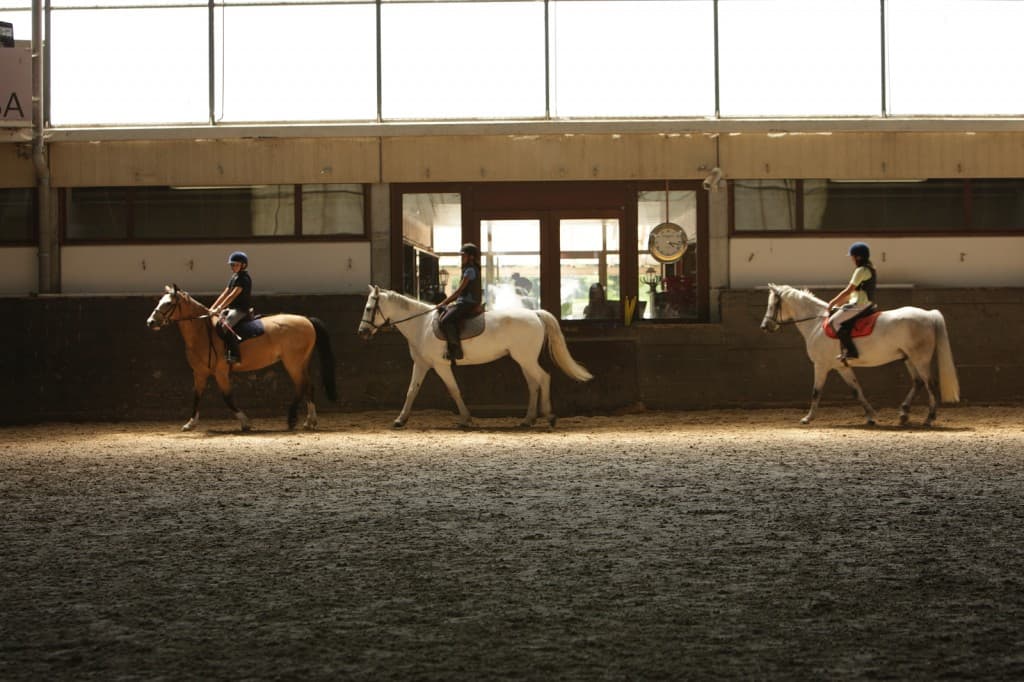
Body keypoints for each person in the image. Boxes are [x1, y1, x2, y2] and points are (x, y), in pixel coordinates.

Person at [827, 241, 877, 361]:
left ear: (858, 257)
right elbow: (857, 292)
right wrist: (841, 303)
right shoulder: (870, 269)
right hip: (865, 303)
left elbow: (848, 290)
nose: (852, 259)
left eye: (853, 257)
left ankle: (851, 351)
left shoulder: (860, 270)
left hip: (859, 305)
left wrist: (832, 302)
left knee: (833, 322)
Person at [436, 243, 482, 364]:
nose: (461, 258)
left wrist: (443, 303)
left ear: (471, 257)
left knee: (445, 321)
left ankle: (456, 350)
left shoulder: (470, 271)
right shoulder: (468, 269)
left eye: (463, 256)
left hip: (467, 303)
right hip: (463, 302)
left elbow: (458, 292)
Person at [209, 250, 253, 365]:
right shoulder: (234, 277)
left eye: (236, 264)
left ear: (243, 265)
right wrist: (211, 308)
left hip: (240, 310)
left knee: (225, 326)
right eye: (232, 265)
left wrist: (219, 309)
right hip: (231, 308)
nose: (233, 267)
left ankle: (234, 355)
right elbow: (225, 293)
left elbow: (232, 295)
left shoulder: (244, 279)